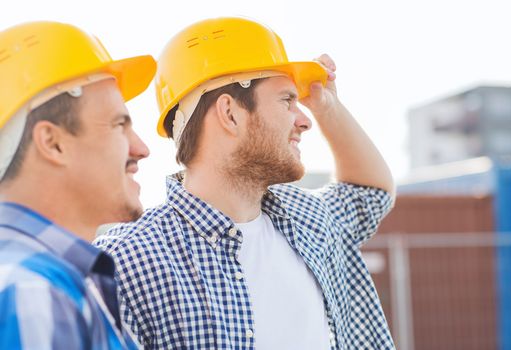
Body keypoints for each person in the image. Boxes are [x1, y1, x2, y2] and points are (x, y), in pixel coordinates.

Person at [95, 17, 396, 349]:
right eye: (287, 101)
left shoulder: (307, 217)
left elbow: (370, 193)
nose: (304, 121)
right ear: (230, 113)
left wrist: (328, 106)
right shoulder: (127, 263)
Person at [0, 21, 155, 349]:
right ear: (53, 143)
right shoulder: (35, 292)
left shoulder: (56, 283)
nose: (141, 148)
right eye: (118, 125)